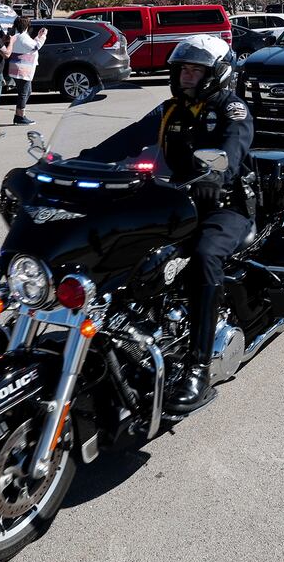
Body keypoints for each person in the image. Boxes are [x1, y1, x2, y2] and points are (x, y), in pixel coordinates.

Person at [83, 35, 254, 413]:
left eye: (196, 70)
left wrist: (215, 175)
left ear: (216, 74)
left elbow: (233, 146)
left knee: (205, 256)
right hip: (175, 202)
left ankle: (198, 364)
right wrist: (81, 162)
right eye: (183, 70)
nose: (188, 77)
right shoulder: (170, 111)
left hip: (224, 206)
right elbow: (125, 140)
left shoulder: (232, 109)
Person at [6, 16, 47, 125]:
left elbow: (30, 45)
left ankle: (19, 115)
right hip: (22, 70)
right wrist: (43, 36)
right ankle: (19, 117)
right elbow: (36, 46)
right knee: (24, 93)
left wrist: (38, 36)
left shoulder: (19, 36)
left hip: (19, 68)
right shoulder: (22, 37)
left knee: (26, 91)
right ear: (26, 26)